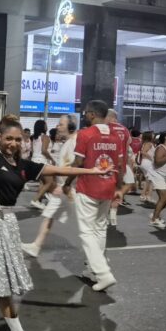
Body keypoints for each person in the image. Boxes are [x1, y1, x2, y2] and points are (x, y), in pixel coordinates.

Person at [0, 90, 105, 331]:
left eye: (18, 139)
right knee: (1, 281)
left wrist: (91, 171)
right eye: (8, 138)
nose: (13, 143)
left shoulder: (24, 166)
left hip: (8, 223)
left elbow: (60, 170)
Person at [63, 100, 126, 292]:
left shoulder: (86, 134)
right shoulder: (115, 136)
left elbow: (79, 162)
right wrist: (119, 188)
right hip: (108, 187)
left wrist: (67, 182)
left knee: (86, 232)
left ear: (92, 114)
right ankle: (92, 270)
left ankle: (103, 273)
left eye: (85, 113)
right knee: (99, 229)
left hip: (88, 187)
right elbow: (120, 165)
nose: (84, 116)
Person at [21, 114, 78, 258]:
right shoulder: (68, 142)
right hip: (64, 188)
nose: (57, 127)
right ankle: (36, 246)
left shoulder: (74, 143)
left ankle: (97, 255)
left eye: (61, 124)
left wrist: (66, 185)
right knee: (48, 215)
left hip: (71, 190)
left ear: (70, 127)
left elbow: (75, 167)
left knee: (84, 226)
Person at [105, 110, 134, 226]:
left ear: (108, 117)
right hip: (121, 164)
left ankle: (105, 214)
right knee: (125, 184)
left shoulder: (105, 128)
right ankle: (113, 213)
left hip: (107, 164)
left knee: (107, 189)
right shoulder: (125, 130)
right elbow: (127, 148)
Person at [146, 131, 166, 229]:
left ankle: (156, 213)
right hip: (158, 175)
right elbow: (157, 162)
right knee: (163, 198)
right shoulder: (161, 148)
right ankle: (154, 219)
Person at [30, 119, 55, 210]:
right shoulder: (45, 137)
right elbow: (44, 150)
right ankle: (36, 200)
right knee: (49, 182)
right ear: (43, 126)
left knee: (43, 182)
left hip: (34, 160)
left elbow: (32, 150)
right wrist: (52, 159)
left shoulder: (34, 137)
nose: (47, 126)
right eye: (45, 125)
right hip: (42, 161)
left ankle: (39, 201)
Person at [138, 131, 156, 203]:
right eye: (152, 134)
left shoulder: (145, 143)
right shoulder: (149, 143)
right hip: (147, 162)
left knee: (148, 179)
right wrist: (151, 157)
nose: (153, 135)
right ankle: (147, 196)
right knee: (151, 179)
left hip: (145, 162)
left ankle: (145, 195)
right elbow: (143, 152)